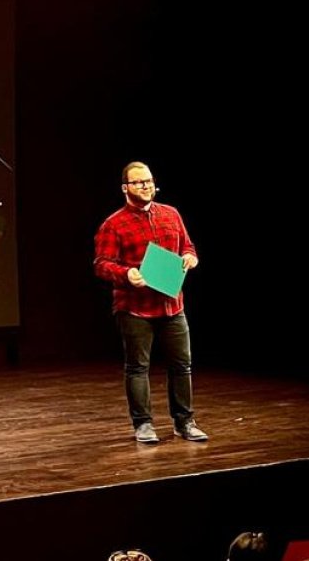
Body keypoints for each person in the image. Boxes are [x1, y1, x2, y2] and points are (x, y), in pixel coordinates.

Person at [93, 161, 206, 444]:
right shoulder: (113, 224)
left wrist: (191, 258)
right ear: (125, 188)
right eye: (139, 182)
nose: (146, 186)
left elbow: (187, 246)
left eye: (149, 181)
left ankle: (184, 421)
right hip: (135, 308)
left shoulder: (171, 214)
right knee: (138, 367)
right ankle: (143, 424)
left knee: (182, 365)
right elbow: (101, 264)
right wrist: (126, 273)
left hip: (171, 304)